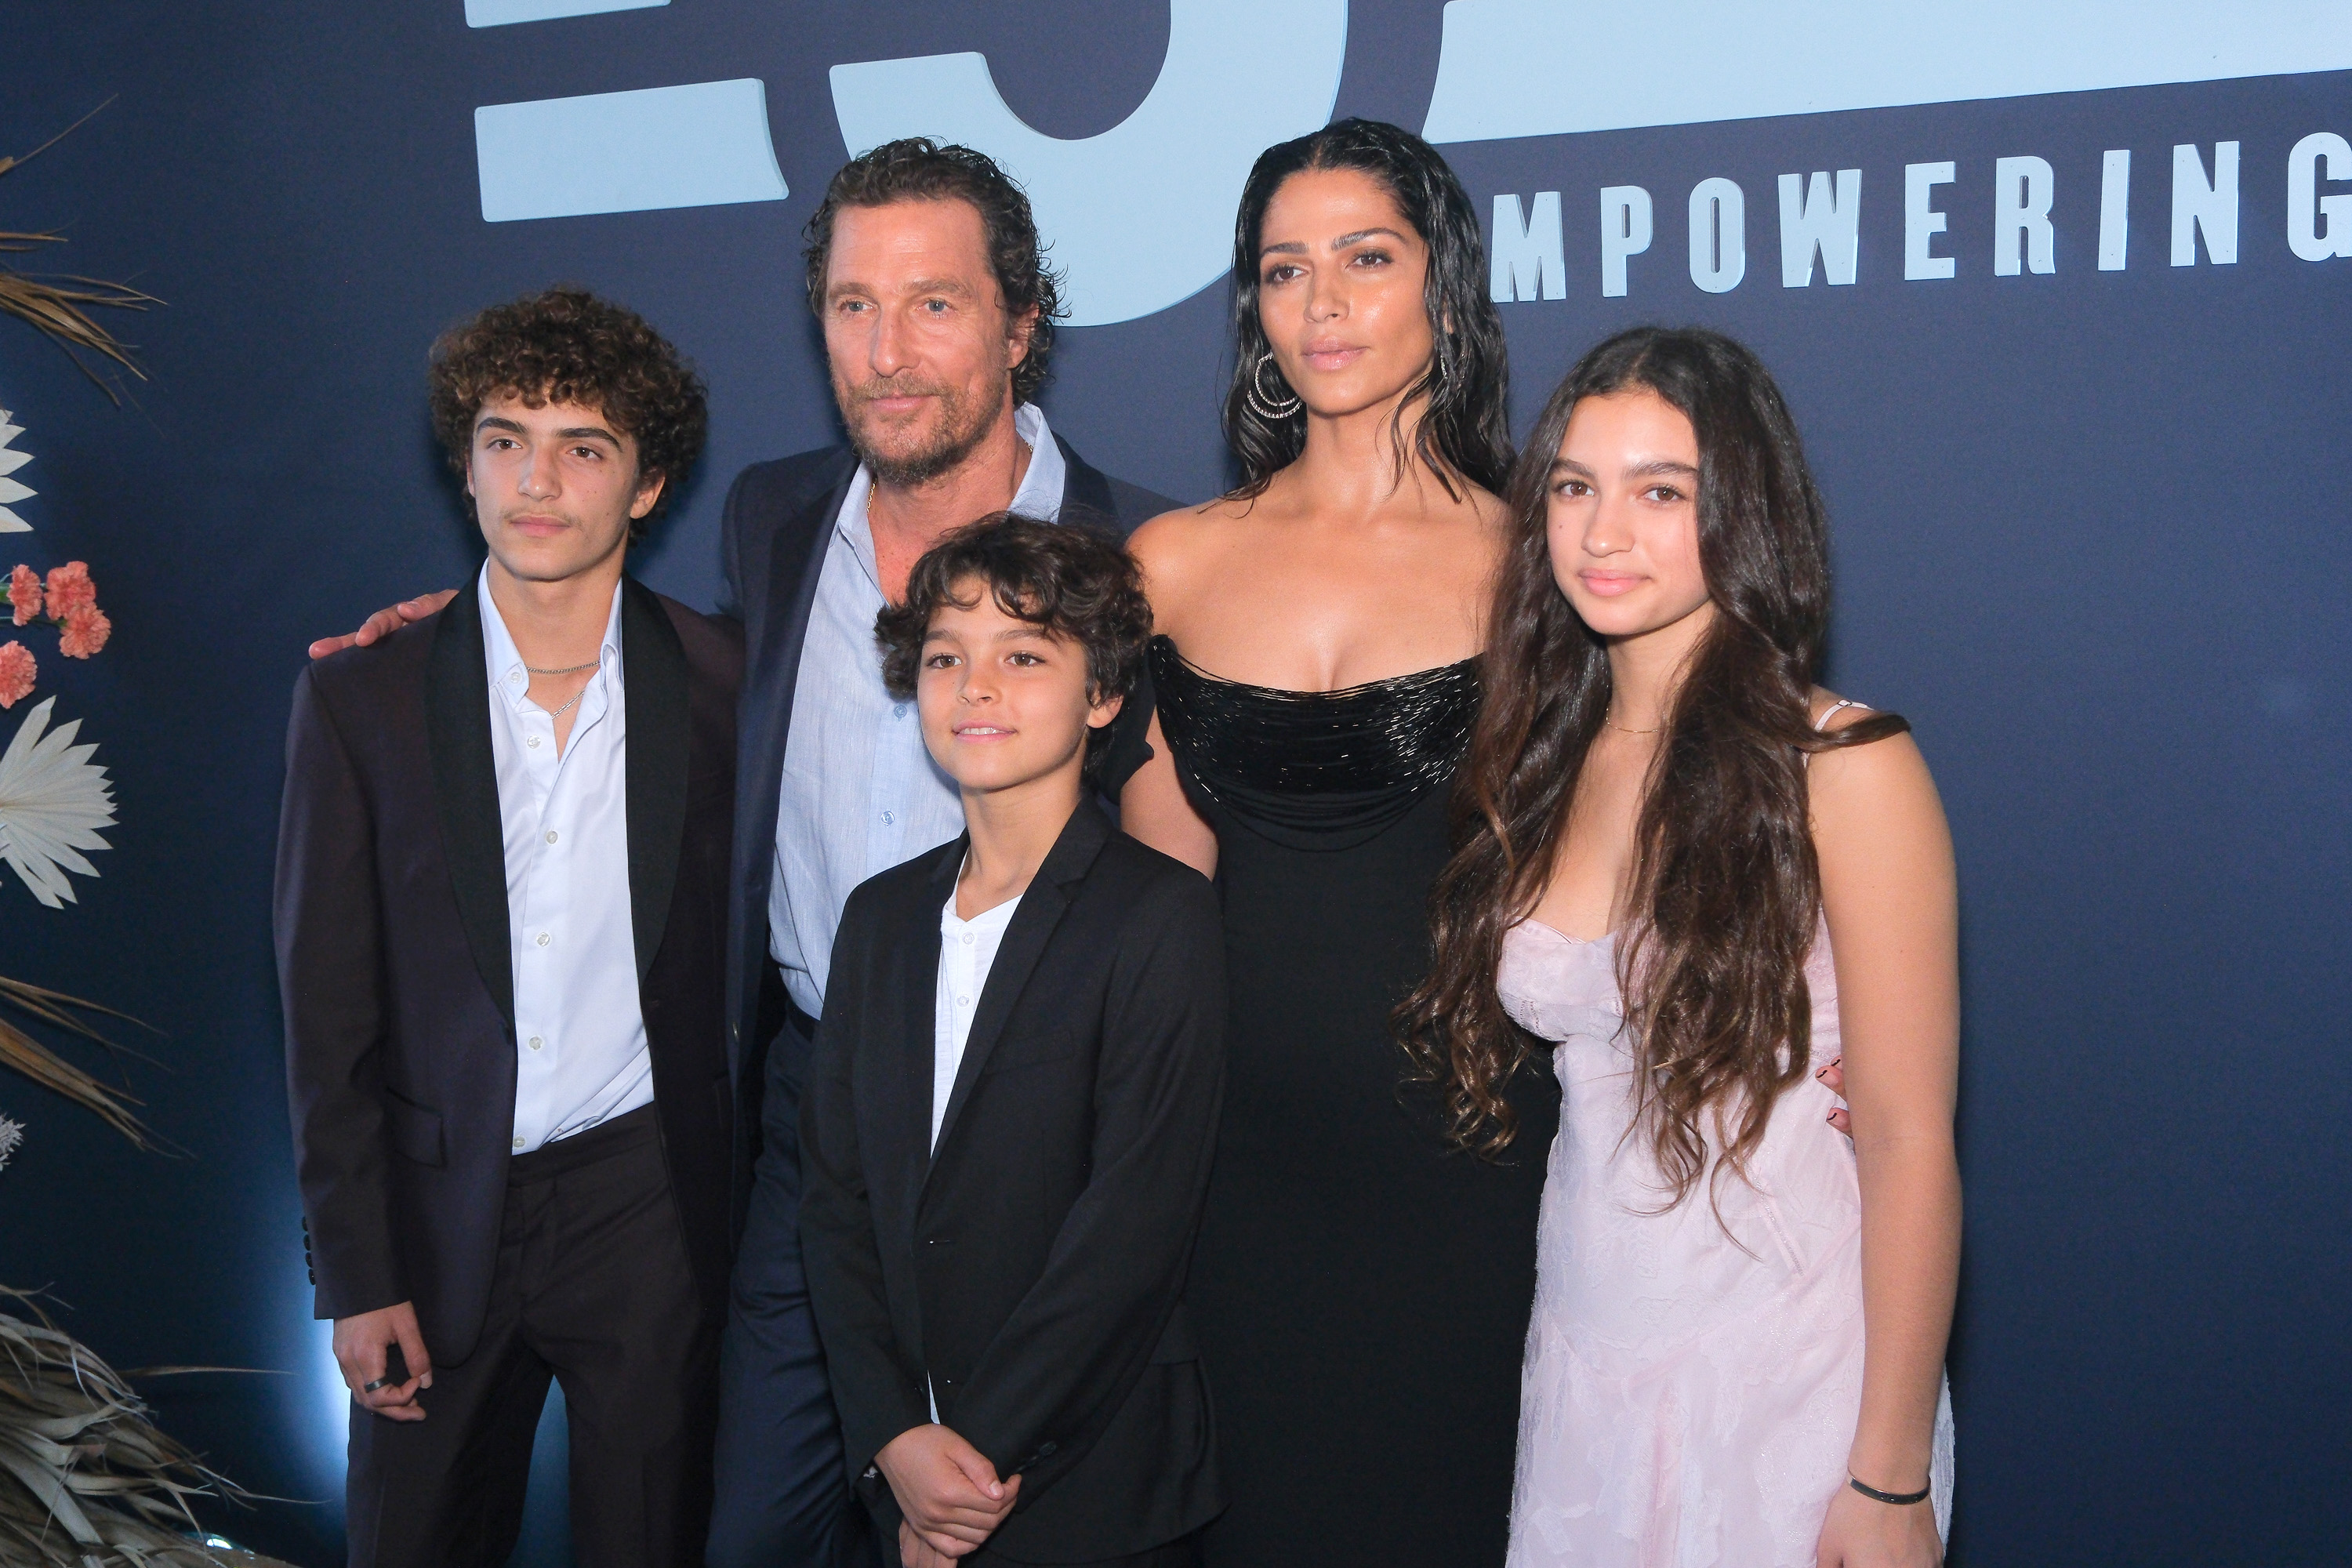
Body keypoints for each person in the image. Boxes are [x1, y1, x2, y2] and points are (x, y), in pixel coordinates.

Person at [309, 140, 1174, 1565]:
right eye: (851, 306)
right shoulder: (779, 522)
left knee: (1016, 1522)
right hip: (805, 1107)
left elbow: (1179, 862)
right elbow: (625, 656)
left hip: (1044, 1122)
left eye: (935, 305)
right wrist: (452, 638)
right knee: (751, 1532)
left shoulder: (1145, 554)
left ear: (1024, 322)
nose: (886, 353)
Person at [1399, 325, 1959, 1566]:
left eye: (1663, 493)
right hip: (1587, 1365)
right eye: (1575, 487)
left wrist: (1890, 1475)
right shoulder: (1539, 757)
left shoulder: (1844, 767)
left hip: (1792, 1377)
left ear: (1745, 511)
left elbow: (1913, 1143)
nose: (1605, 534)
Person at [1113, 118, 1551, 1565]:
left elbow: (1625, 872)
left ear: (1444, 285)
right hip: (1235, 1172)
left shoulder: (1538, 565)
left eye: (1367, 259)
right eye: (1284, 270)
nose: (1323, 304)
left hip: (1466, 1161)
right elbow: (1155, 898)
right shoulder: (1171, 562)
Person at [277, 287, 739, 1566]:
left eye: (583, 447)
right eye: (503, 439)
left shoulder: (727, 689)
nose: (537, 480)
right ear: (465, 463)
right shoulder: (361, 697)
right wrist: (354, 1270)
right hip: (431, 1218)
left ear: (646, 488)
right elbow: (326, 1011)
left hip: (647, 1209)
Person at [800, 514, 1225, 1568]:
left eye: (1024, 655)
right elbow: (835, 1200)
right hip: (904, 1477)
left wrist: (970, 1468)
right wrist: (895, 1441)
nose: (976, 686)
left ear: (1103, 695)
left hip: (1081, 1481)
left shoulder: (1159, 915)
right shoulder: (879, 919)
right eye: (946, 657)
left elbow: (1130, 1231)